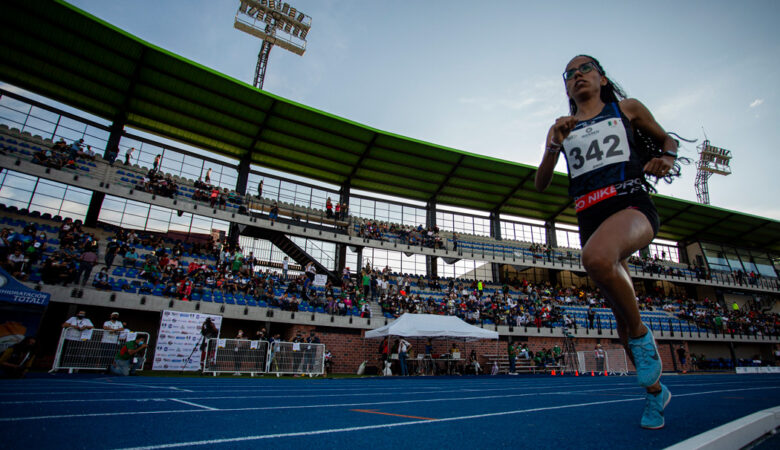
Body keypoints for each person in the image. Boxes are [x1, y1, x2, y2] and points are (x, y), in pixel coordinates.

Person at [535, 55, 675, 429]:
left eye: (585, 69)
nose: (578, 75)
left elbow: (666, 138)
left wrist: (667, 156)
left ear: (601, 77)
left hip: (631, 205)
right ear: (566, 87)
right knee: (621, 326)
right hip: (590, 217)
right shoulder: (560, 128)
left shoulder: (625, 108)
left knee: (595, 258)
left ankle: (645, 338)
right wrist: (554, 144)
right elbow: (541, 184)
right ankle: (655, 395)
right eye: (570, 74)